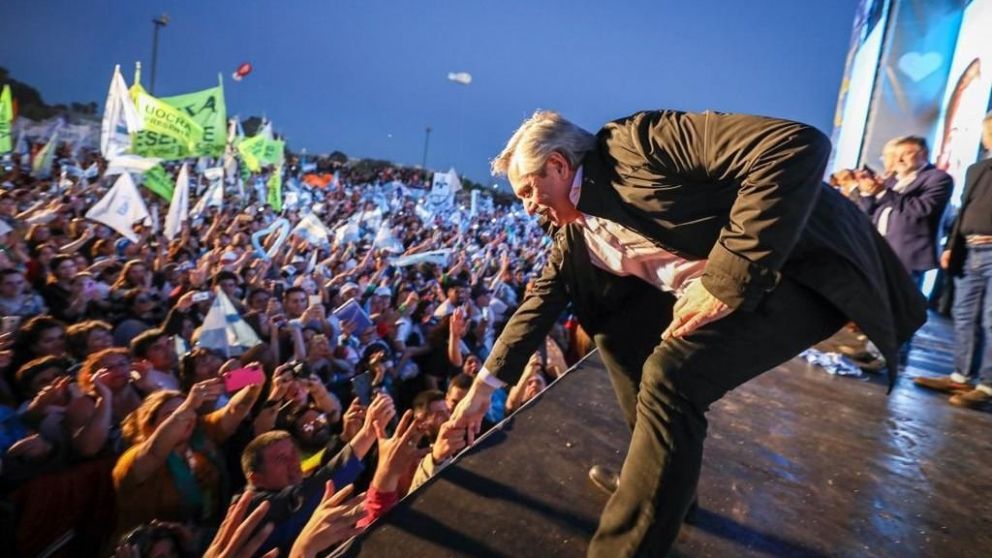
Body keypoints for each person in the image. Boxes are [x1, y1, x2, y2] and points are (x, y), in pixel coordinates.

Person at [451, 109, 926, 557]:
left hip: (794, 268)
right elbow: (538, 304)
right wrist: (481, 390)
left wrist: (728, 276)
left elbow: (795, 145)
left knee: (670, 377)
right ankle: (656, 483)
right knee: (616, 340)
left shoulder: (639, 144)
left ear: (557, 165)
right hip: (730, 282)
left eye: (528, 192)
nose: (530, 208)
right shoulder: (574, 231)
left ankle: (626, 546)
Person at [915, 111, 992, 409]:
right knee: (964, 316)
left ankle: (986, 386)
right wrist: (951, 246)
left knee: (990, 320)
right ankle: (961, 376)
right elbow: (963, 212)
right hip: (969, 252)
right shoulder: (976, 169)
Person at [852, 136, 953, 286]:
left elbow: (923, 209)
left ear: (923, 154)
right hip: (879, 249)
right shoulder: (892, 179)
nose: (898, 160)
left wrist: (882, 193)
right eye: (896, 155)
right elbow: (869, 210)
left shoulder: (937, 178)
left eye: (905, 154)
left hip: (908, 254)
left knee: (901, 304)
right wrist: (867, 191)